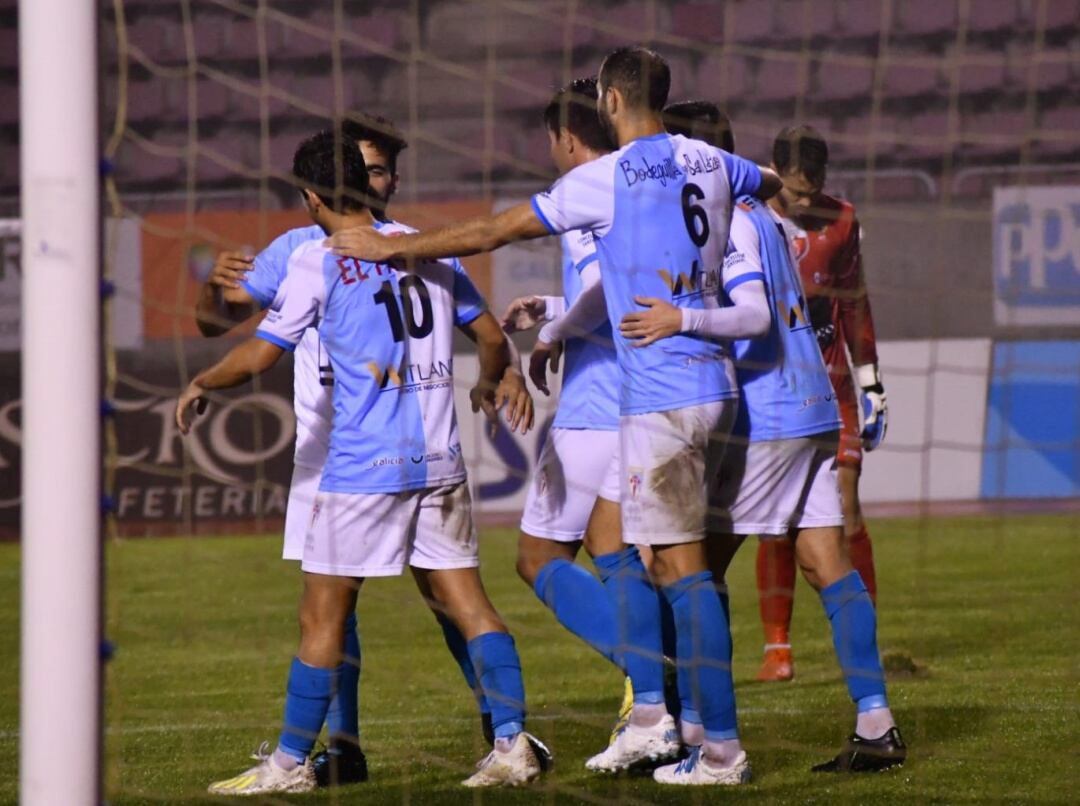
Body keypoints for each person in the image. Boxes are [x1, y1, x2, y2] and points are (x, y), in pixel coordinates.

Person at [326, 46, 784, 787]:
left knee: (663, 569)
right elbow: (769, 183)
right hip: (719, 389)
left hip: (656, 395)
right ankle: (683, 724)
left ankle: (697, 729)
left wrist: (386, 247)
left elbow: (491, 232)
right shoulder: (710, 161)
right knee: (649, 559)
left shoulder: (600, 181)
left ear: (609, 100)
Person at [180, 131, 544, 794]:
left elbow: (260, 355)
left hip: (362, 467)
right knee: (468, 602)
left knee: (322, 614)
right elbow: (491, 338)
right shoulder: (423, 246)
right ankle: (511, 742)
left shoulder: (317, 261)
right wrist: (491, 380)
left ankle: (290, 763)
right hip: (439, 458)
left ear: (312, 196)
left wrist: (203, 382)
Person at [619, 114, 907, 772]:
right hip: (813, 408)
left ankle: (698, 737)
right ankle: (876, 724)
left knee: (689, 569)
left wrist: (680, 320)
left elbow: (751, 318)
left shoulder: (736, 221)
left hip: (771, 413)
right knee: (826, 563)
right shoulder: (768, 218)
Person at [501, 77, 679, 772]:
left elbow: (603, 297)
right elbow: (609, 291)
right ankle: (665, 691)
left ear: (568, 139)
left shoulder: (584, 198)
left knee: (539, 559)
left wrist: (552, 335)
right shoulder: (644, 191)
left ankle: (655, 678)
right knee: (630, 562)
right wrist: (552, 308)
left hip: (591, 413)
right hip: (643, 406)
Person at [754, 125, 888, 683]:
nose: (804, 203)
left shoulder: (843, 220)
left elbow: (854, 303)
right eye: (794, 193)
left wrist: (872, 382)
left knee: (848, 507)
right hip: (770, 389)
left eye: (813, 193)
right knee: (775, 523)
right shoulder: (750, 215)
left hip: (833, 390)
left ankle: (868, 643)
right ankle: (777, 650)